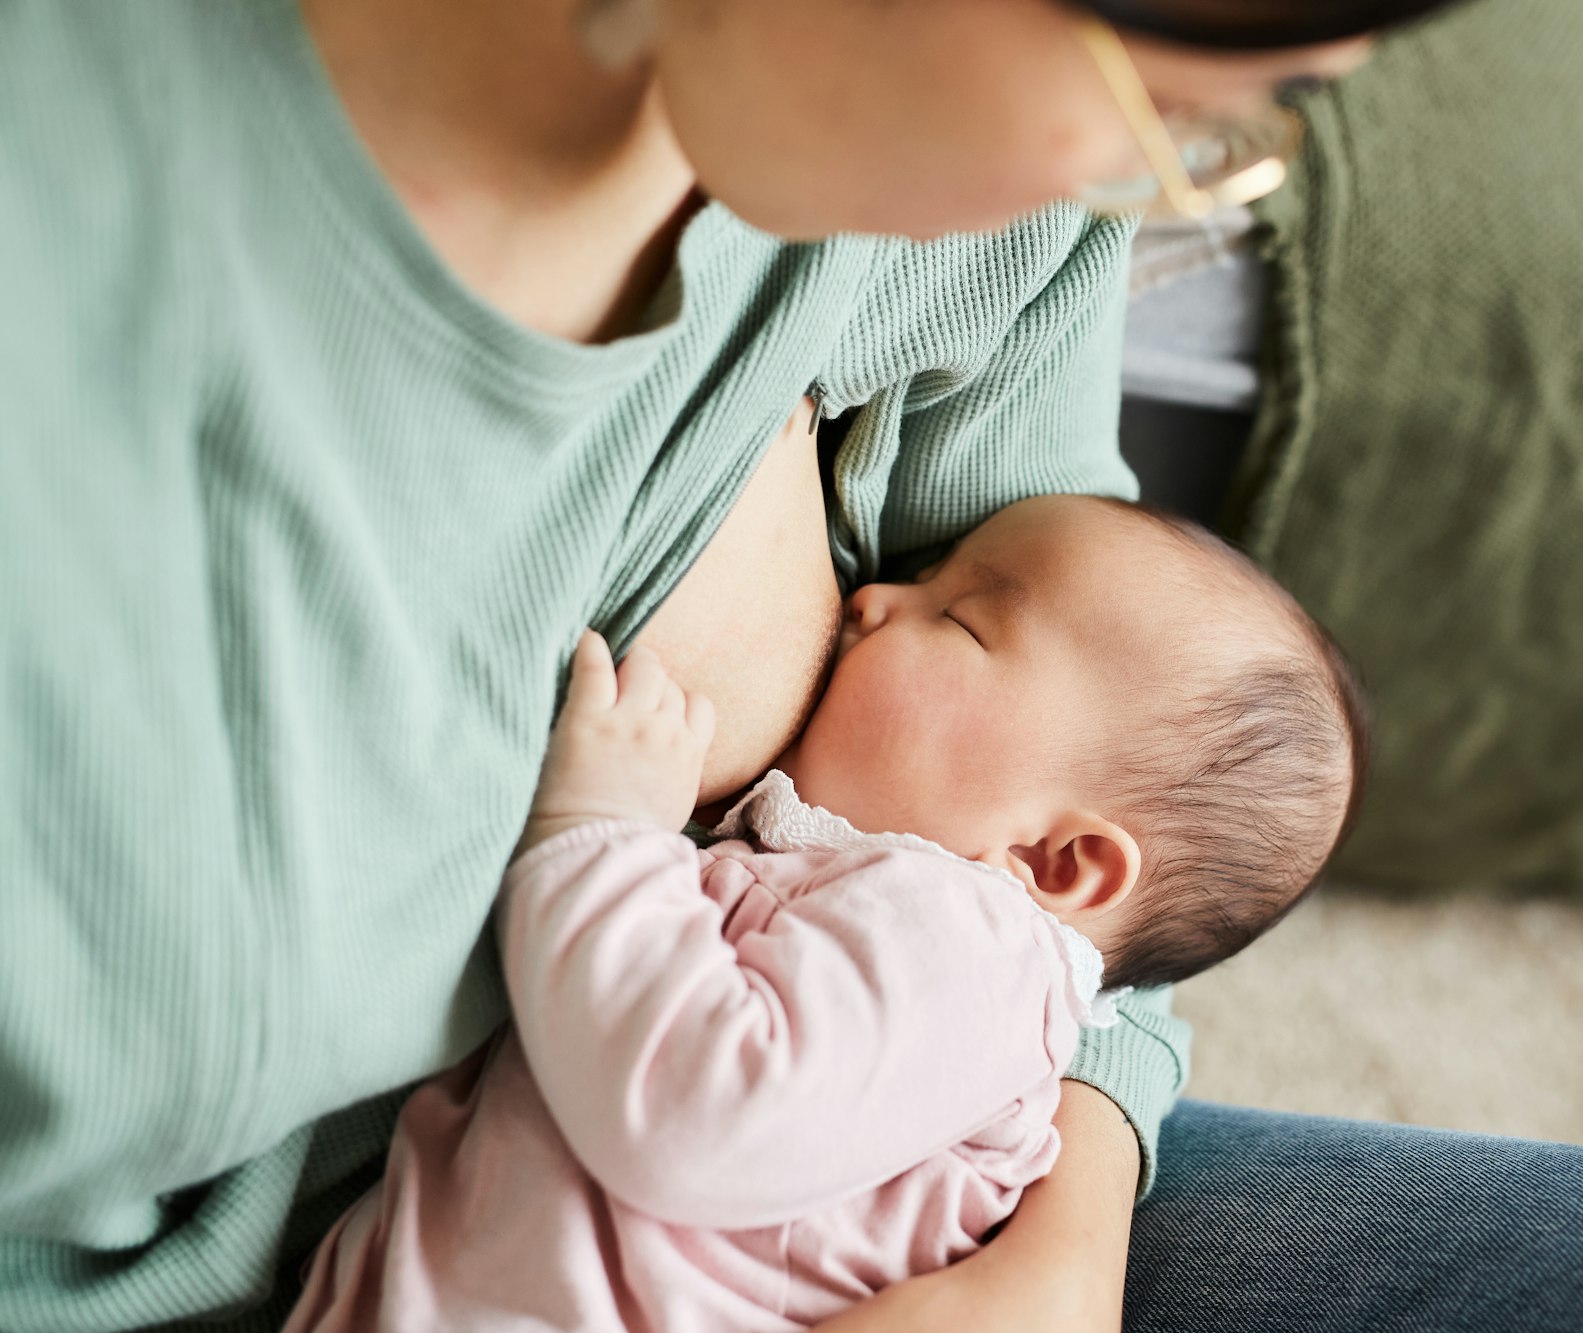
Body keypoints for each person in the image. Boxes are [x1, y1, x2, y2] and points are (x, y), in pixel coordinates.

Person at [0, 0, 1583, 1328]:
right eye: (1171, 103)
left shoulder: (965, 211)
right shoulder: (88, 305)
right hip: (317, 1263)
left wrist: (1062, 1241)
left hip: (738, 1227)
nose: (1168, 179)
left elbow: (1121, 835)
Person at [284, 493, 1364, 1331]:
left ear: (1056, 858)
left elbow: (693, 1113)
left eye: (962, 618)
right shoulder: (892, 918)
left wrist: (603, 830)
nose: (874, 596)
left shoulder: (967, 946)